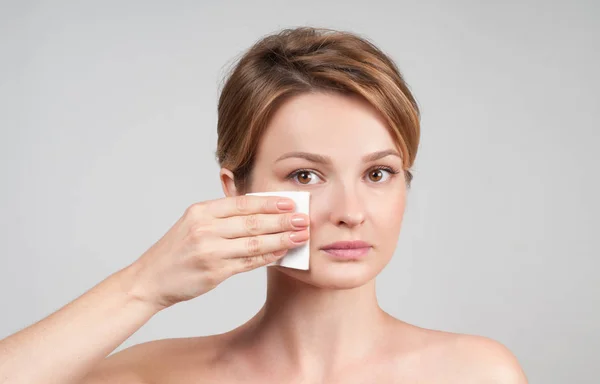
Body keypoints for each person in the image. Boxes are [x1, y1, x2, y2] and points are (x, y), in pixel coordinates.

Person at [0, 26, 528, 383]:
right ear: (237, 191)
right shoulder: (152, 376)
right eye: (306, 174)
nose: (350, 210)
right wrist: (142, 286)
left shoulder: (474, 372)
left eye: (378, 173)